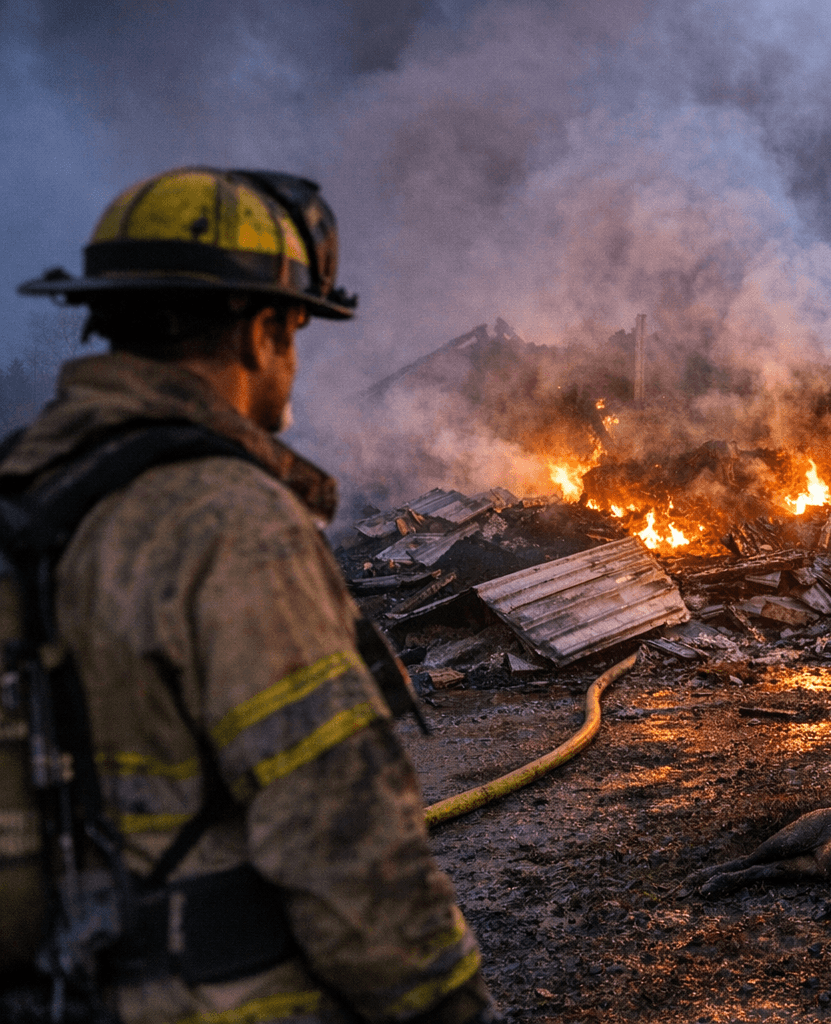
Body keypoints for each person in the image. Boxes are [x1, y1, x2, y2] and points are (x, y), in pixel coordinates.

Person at [4, 168, 490, 1023]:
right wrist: (446, 1003)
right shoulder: (229, 521)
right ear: (263, 333)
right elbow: (338, 827)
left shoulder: (23, 494)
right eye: (297, 329)